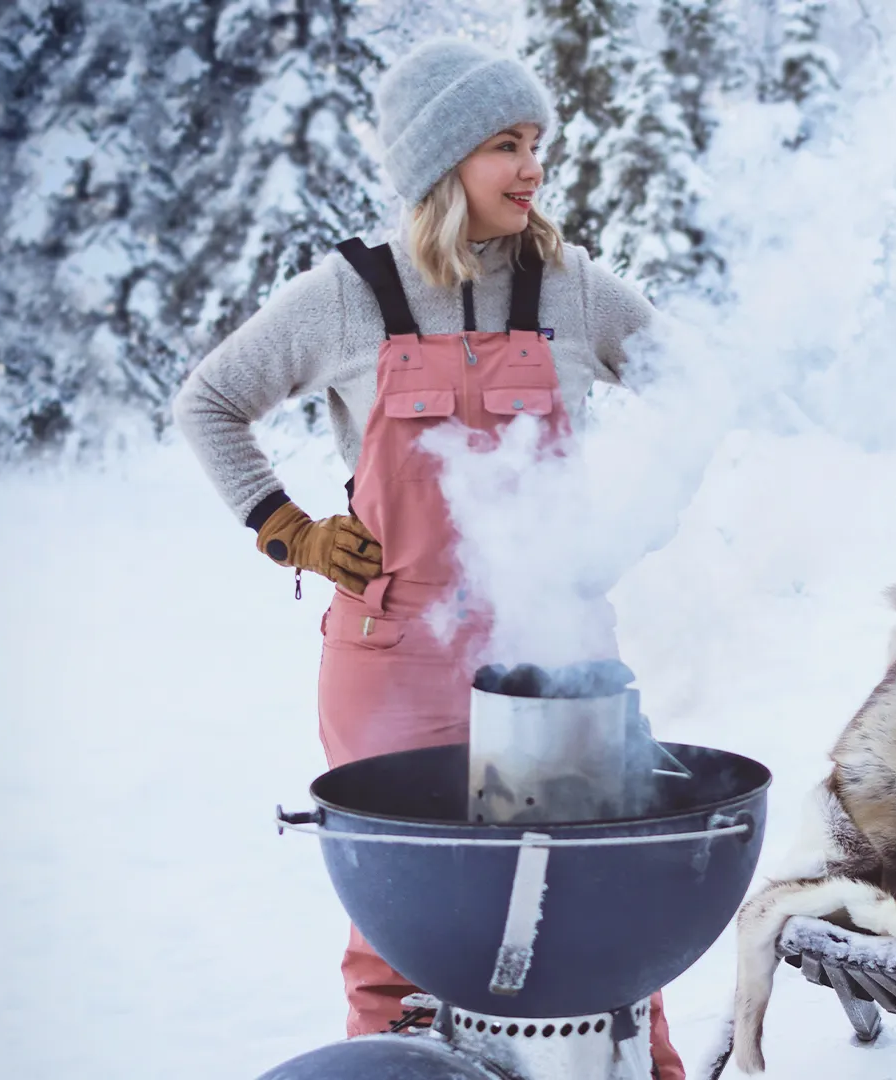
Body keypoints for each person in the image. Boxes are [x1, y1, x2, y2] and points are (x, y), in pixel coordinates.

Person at [172, 37, 683, 1078]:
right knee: (399, 929)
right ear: (443, 162)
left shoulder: (573, 289)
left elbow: (700, 392)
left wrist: (624, 529)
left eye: (537, 142)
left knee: (606, 911)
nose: (532, 167)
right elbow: (210, 402)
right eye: (506, 144)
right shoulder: (348, 296)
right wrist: (289, 527)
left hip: (557, 663)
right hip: (390, 660)